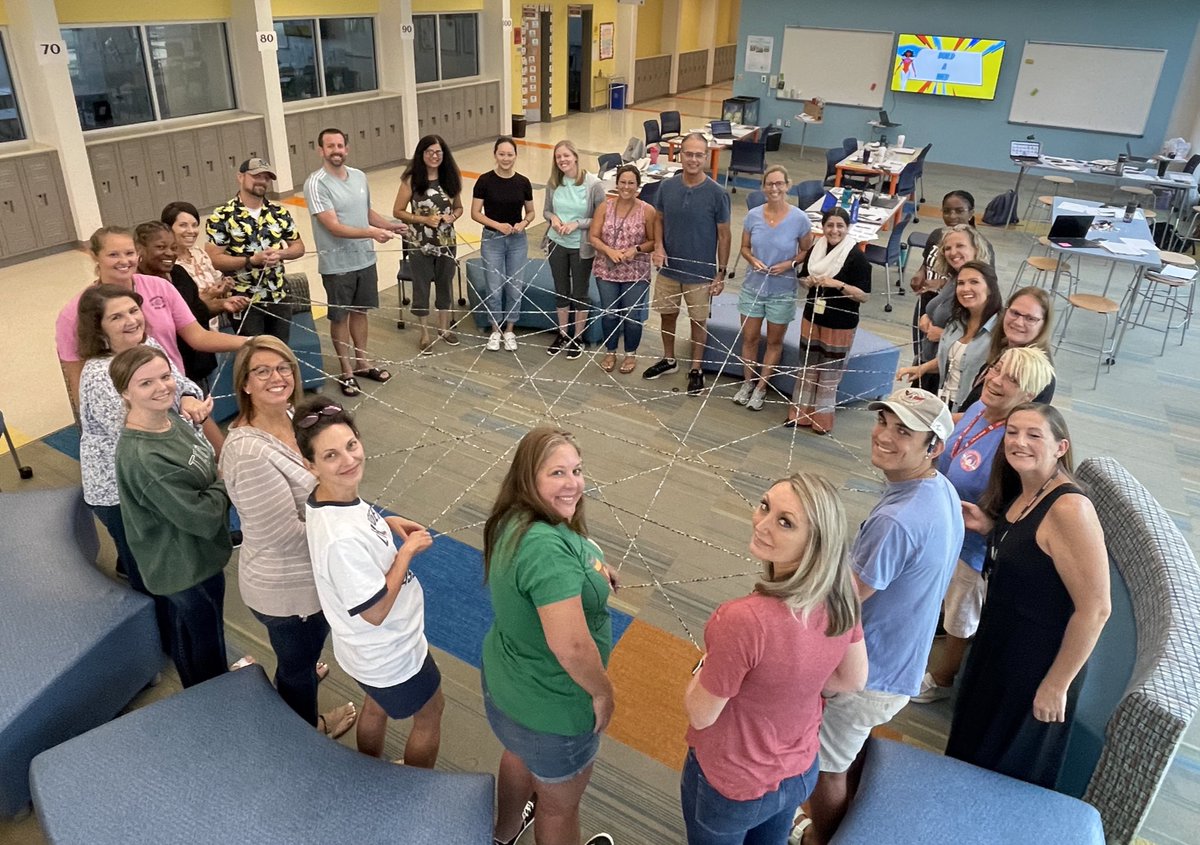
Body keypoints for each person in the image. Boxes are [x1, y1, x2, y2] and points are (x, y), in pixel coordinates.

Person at [805, 388, 962, 844]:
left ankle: (823, 838)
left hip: (869, 672)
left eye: (903, 431)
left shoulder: (898, 520)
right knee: (848, 754)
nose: (884, 436)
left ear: (933, 446)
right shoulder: (939, 489)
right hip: (901, 661)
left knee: (825, 767)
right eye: (883, 422)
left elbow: (842, 604)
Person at [682, 473, 867, 845]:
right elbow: (853, 678)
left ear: (815, 542)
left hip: (732, 782)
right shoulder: (840, 586)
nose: (762, 524)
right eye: (765, 505)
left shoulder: (742, 619)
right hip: (800, 768)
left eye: (785, 522)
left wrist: (703, 666)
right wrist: (789, 683)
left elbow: (700, 714)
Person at [947, 404, 1110, 788]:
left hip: (1034, 663)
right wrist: (991, 528)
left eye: (1034, 435)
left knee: (1000, 772)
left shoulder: (1070, 508)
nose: (1019, 442)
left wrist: (1057, 685)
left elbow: (1097, 609)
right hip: (999, 645)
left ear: (1060, 447)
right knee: (970, 755)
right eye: (1013, 432)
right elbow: (1035, 555)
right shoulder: (1024, 492)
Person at [481, 427, 618, 845]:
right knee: (559, 808)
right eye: (557, 473)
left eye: (576, 470)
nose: (573, 483)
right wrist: (602, 693)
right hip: (553, 708)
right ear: (529, 478)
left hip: (509, 688)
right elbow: (573, 647)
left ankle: (501, 836)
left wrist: (595, 569)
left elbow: (568, 547)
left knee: (519, 757)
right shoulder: (545, 553)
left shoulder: (513, 517)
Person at [219, 337, 358, 739]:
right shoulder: (248, 453)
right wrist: (353, 536)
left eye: (283, 368)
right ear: (244, 384)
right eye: (261, 371)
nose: (276, 377)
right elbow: (284, 535)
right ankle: (306, 729)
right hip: (288, 590)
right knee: (296, 669)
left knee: (303, 653)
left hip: (309, 576)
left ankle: (302, 663)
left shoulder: (293, 416)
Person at [296, 397, 443, 764]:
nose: (348, 460)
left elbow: (354, 522)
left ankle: (370, 772)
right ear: (310, 465)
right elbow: (374, 611)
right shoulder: (339, 538)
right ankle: (415, 784)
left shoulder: (331, 497)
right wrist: (406, 552)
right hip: (389, 650)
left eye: (351, 445)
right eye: (331, 456)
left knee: (376, 706)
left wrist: (386, 523)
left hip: (368, 651)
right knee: (430, 714)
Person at [911, 347, 1055, 705]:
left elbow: (1023, 510)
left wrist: (990, 525)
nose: (996, 380)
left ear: (1029, 396)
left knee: (961, 615)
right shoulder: (977, 410)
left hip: (972, 549)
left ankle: (943, 679)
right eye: (997, 369)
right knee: (936, 599)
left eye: (1012, 379)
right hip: (940, 530)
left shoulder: (1014, 444)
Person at [76, 284, 208, 625]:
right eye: (116, 317)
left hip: (152, 479)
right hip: (120, 491)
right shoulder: (99, 375)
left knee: (158, 558)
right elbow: (141, 436)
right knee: (150, 571)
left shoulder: (146, 345)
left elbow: (178, 383)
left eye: (133, 311)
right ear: (98, 327)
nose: (130, 321)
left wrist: (190, 397)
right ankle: (156, 638)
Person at [112, 344, 233, 688]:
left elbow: (202, 469)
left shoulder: (169, 420)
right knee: (201, 641)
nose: (162, 387)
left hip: (199, 555)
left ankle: (216, 682)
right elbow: (202, 516)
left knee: (204, 630)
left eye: (165, 376)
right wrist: (227, 480)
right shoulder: (144, 457)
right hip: (181, 567)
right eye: (145, 383)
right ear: (125, 392)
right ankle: (211, 699)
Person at [57, 226, 249, 414]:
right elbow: (78, 381)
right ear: (95, 256)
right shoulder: (74, 312)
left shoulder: (159, 287)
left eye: (129, 253)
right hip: (124, 412)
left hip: (176, 395)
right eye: (113, 255)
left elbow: (198, 336)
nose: (124, 261)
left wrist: (250, 343)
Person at [303, 127, 407, 396]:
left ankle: (362, 362)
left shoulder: (359, 177)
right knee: (340, 316)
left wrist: (390, 226)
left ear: (346, 148)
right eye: (330, 146)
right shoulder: (316, 183)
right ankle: (346, 371)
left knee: (361, 312)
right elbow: (333, 226)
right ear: (321, 151)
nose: (336, 151)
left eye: (340, 145)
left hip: (365, 260)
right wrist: (373, 233)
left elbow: (366, 212)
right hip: (338, 266)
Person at [646, 132, 732, 395]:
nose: (693, 159)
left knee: (697, 322)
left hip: (700, 273)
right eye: (688, 153)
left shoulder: (717, 194)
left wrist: (720, 273)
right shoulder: (668, 187)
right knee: (667, 316)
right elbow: (658, 219)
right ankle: (669, 359)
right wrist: (659, 246)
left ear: (706, 158)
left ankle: (696, 368)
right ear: (679, 155)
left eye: (698, 155)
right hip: (669, 269)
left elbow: (724, 235)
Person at [732, 165, 813, 412]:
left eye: (779, 183)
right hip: (753, 286)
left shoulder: (800, 219)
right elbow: (744, 247)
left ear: (787, 186)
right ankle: (747, 383)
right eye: (770, 184)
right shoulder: (753, 216)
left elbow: (806, 251)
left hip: (782, 289)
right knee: (750, 338)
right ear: (763, 187)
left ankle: (761, 388)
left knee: (774, 342)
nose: (774, 188)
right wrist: (751, 259)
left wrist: (789, 263)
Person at [786, 207, 871, 433]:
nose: (834, 230)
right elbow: (803, 277)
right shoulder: (816, 249)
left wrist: (838, 285)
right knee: (807, 367)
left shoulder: (856, 257)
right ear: (823, 227)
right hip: (813, 316)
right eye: (830, 225)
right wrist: (808, 282)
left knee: (829, 373)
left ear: (847, 228)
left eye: (839, 226)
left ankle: (821, 421)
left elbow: (864, 296)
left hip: (840, 323)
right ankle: (799, 415)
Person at [206, 157, 307, 342]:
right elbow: (214, 259)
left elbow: (299, 247)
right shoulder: (222, 216)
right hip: (244, 301)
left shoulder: (279, 213)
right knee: (252, 354)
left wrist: (281, 253)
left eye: (266, 178)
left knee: (280, 349)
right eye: (256, 176)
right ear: (240, 177)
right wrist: (250, 261)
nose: (262, 181)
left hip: (278, 296)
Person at [897, 260, 1002, 412]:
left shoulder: (1002, 329)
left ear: (990, 288)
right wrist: (923, 368)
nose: (966, 288)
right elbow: (954, 360)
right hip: (944, 403)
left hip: (971, 411)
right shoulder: (957, 321)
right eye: (961, 283)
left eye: (974, 282)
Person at [393, 134, 464, 354]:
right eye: (430, 152)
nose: (434, 156)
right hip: (419, 244)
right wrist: (423, 219)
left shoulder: (451, 178)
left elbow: (459, 207)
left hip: (446, 242)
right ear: (422, 154)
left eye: (438, 152)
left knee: (445, 284)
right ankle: (424, 334)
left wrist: (454, 216)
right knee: (421, 287)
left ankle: (443, 328)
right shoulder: (411, 180)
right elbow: (398, 211)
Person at [135, 221, 220, 389]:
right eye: (160, 247)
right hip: (170, 375)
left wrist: (223, 305)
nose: (169, 253)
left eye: (174, 248)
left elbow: (196, 312)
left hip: (203, 364)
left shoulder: (179, 274)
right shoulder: (135, 288)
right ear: (140, 249)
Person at [590, 164, 657, 375]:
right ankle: (610, 351)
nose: (626, 187)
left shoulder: (647, 210)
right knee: (609, 314)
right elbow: (593, 237)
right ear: (616, 183)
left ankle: (630, 353)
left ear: (638, 186)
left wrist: (636, 250)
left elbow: (654, 241)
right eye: (622, 182)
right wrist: (608, 251)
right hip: (607, 269)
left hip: (636, 271)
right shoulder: (604, 207)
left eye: (631, 183)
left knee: (632, 315)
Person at [911, 222, 993, 395]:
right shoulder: (955, 278)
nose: (952, 252)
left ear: (976, 248)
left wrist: (942, 335)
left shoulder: (977, 288)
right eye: (947, 248)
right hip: (930, 366)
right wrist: (928, 315)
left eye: (960, 246)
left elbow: (981, 340)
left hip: (946, 377)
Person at [471, 136, 536, 353]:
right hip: (492, 240)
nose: (506, 158)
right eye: (502, 154)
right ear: (495, 155)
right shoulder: (484, 181)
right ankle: (495, 329)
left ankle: (509, 329)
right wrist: (498, 225)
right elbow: (475, 213)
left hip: (517, 240)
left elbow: (531, 212)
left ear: (516, 156)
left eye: (510, 154)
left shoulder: (523, 182)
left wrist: (523, 223)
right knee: (494, 287)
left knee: (515, 287)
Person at [543, 140, 606, 358]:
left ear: (576, 157)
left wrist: (577, 224)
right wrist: (554, 219)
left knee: (580, 293)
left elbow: (601, 216)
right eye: (558, 157)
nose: (562, 160)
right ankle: (562, 333)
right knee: (561, 291)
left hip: (581, 247)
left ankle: (577, 337)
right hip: (556, 243)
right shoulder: (553, 183)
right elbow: (547, 211)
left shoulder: (593, 184)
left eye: (566, 156)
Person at [959, 287, 1056, 409]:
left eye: (1030, 318)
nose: (1018, 322)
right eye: (1015, 313)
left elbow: (996, 421)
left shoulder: (1040, 374)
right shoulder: (1005, 349)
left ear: (1044, 325)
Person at [161, 200, 247, 329]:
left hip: (210, 326)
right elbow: (178, 305)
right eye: (183, 225)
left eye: (195, 225)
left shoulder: (199, 253)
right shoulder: (166, 265)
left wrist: (224, 286)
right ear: (168, 228)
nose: (191, 231)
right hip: (188, 330)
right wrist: (210, 295)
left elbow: (215, 281)